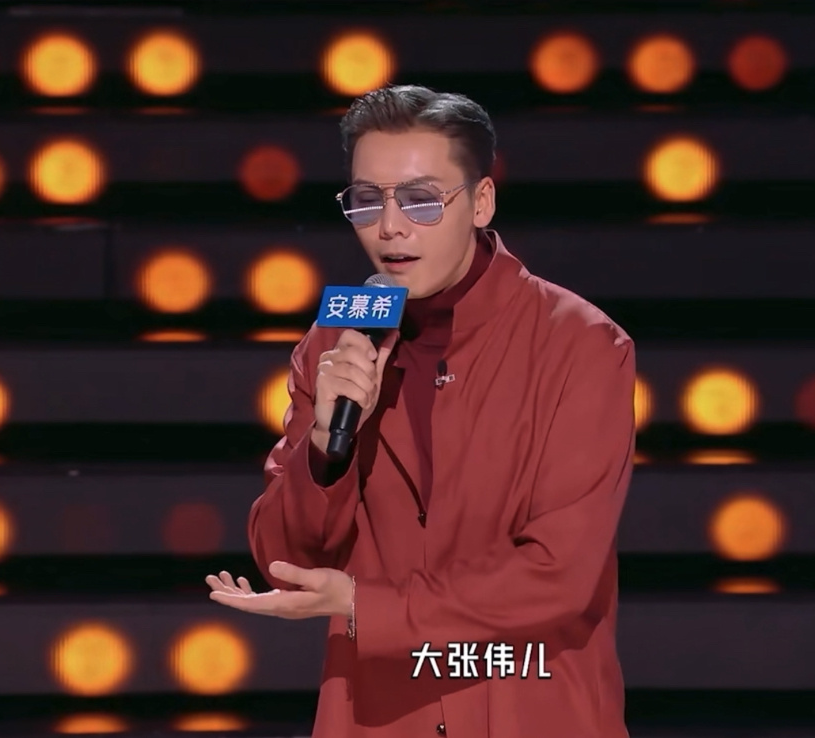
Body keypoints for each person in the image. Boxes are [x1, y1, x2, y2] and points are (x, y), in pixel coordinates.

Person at [206, 84, 635, 738]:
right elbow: (288, 561)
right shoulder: (335, 341)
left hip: (529, 707)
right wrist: (324, 451)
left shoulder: (580, 344)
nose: (390, 227)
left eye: (421, 200)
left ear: (481, 202)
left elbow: (559, 574)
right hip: (378, 716)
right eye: (366, 200)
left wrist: (366, 607)